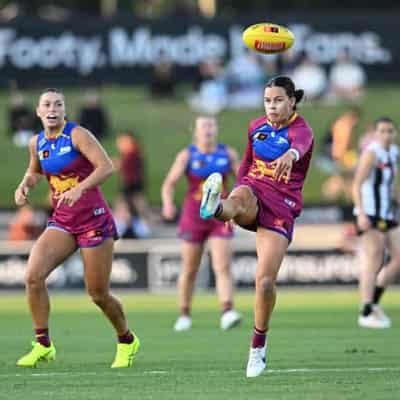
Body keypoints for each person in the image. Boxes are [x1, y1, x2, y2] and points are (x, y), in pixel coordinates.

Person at [14, 88, 140, 368]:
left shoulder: (77, 135)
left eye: (58, 104)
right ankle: (43, 344)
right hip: (63, 221)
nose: (52, 109)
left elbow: (106, 167)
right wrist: (25, 185)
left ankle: (127, 339)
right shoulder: (37, 143)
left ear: (64, 110)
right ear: (38, 111)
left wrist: (80, 188)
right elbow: (35, 171)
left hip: (93, 219)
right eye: (46, 104)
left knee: (98, 294)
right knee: (33, 277)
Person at [199, 76, 314, 378]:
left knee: (264, 283)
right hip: (252, 189)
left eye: (277, 100)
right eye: (267, 101)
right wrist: (236, 192)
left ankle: (257, 348)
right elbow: (246, 166)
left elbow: (299, 146)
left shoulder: (302, 130)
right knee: (239, 197)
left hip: (281, 205)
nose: (272, 106)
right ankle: (217, 206)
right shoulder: (256, 127)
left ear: (291, 101)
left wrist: (290, 155)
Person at [161, 115, 242, 332]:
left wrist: (238, 207)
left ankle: (227, 311)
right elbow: (169, 184)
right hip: (193, 216)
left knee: (222, 265)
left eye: (211, 125)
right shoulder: (187, 155)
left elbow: (243, 182)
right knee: (190, 268)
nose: (207, 129)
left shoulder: (228, 154)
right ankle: (184, 313)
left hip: (219, 215)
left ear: (216, 129)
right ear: (195, 131)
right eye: (203, 126)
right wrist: (168, 204)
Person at [352, 117, 400, 329]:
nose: (386, 135)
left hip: (387, 212)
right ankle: (365, 310)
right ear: (376, 133)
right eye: (382, 131)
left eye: (390, 131)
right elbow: (357, 184)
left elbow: (392, 184)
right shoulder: (372, 153)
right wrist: (361, 213)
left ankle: (374, 302)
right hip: (370, 212)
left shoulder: (394, 152)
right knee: (374, 260)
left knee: (397, 259)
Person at [113, 131, 152, 238]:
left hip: (132, 184)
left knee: (131, 206)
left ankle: (140, 227)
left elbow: (119, 164)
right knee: (129, 206)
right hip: (130, 184)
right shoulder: (132, 154)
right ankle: (129, 226)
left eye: (122, 142)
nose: (120, 145)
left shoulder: (132, 154)